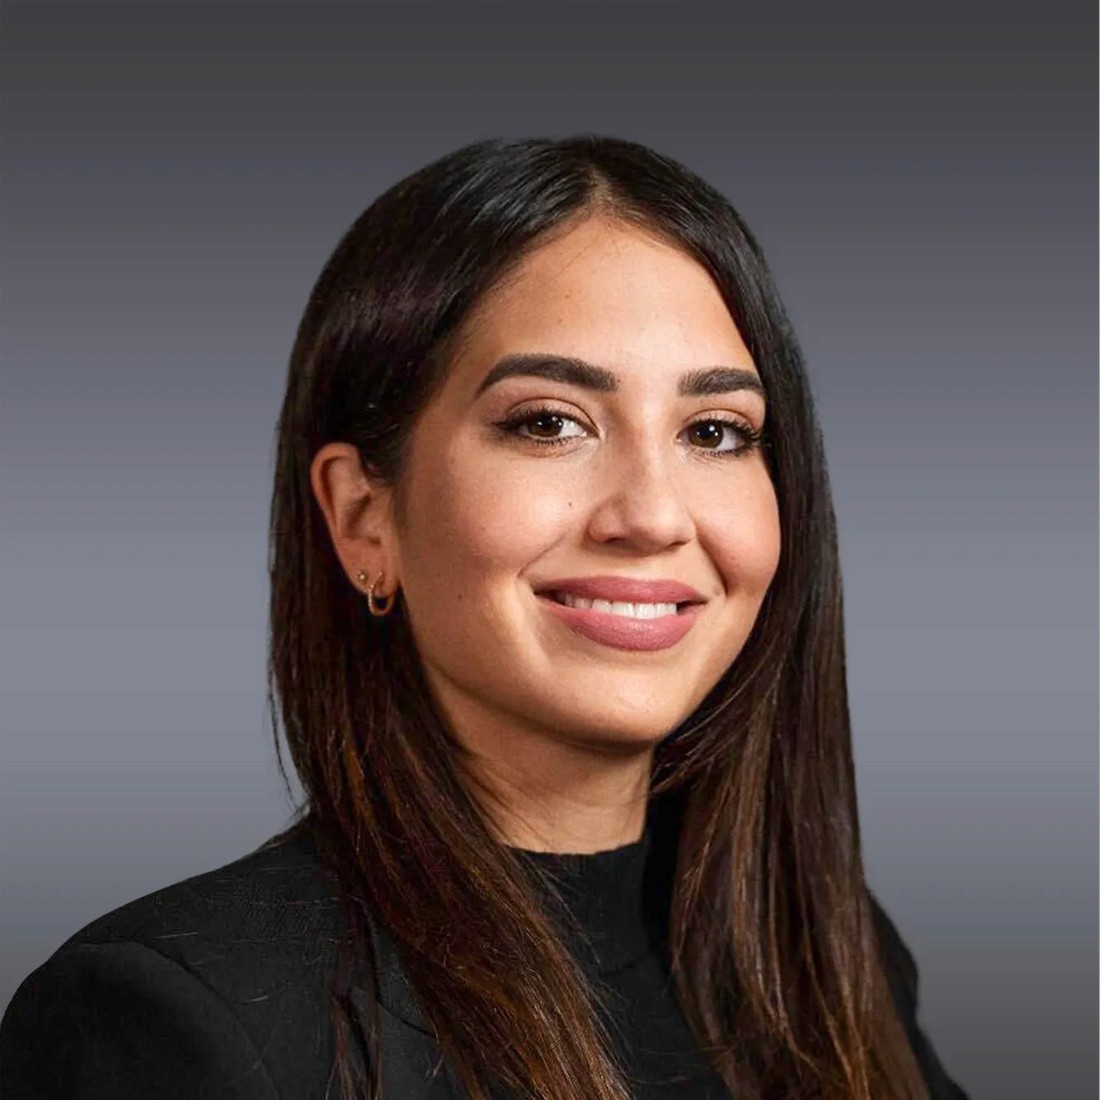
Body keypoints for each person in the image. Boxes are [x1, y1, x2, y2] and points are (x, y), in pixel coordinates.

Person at [0, 135, 971, 1100]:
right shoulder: (175, 1018)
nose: (651, 514)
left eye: (712, 432)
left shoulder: (823, 964)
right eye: (548, 421)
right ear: (361, 515)